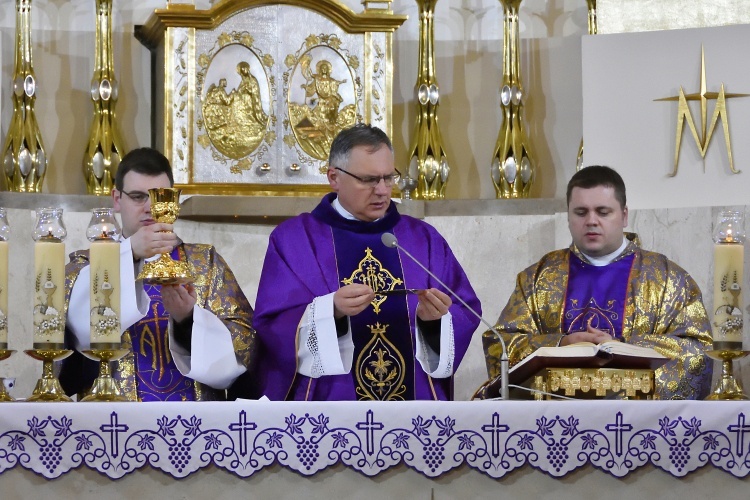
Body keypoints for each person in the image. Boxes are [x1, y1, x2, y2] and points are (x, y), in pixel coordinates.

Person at [251, 124, 481, 401]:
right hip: (331, 406)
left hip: (413, 408)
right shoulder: (295, 240)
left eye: (388, 178)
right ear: (334, 178)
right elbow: (273, 324)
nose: (383, 190)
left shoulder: (422, 239)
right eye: (369, 179)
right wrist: (331, 310)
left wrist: (433, 323)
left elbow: (465, 310)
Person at [482, 165, 713, 400]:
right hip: (554, 421)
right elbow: (499, 346)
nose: (591, 221)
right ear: (569, 216)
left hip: (637, 422)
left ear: (624, 216)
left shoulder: (668, 279)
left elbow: (698, 354)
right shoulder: (537, 278)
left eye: (603, 212)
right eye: (581, 212)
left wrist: (621, 347)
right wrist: (562, 344)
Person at [61, 148, 256, 401]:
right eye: (138, 196)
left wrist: (188, 321)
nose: (150, 208)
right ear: (117, 199)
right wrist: (128, 252)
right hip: (112, 422)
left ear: (174, 202)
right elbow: (78, 330)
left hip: (195, 426)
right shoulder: (87, 265)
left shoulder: (206, 264)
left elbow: (244, 349)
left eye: (160, 197)